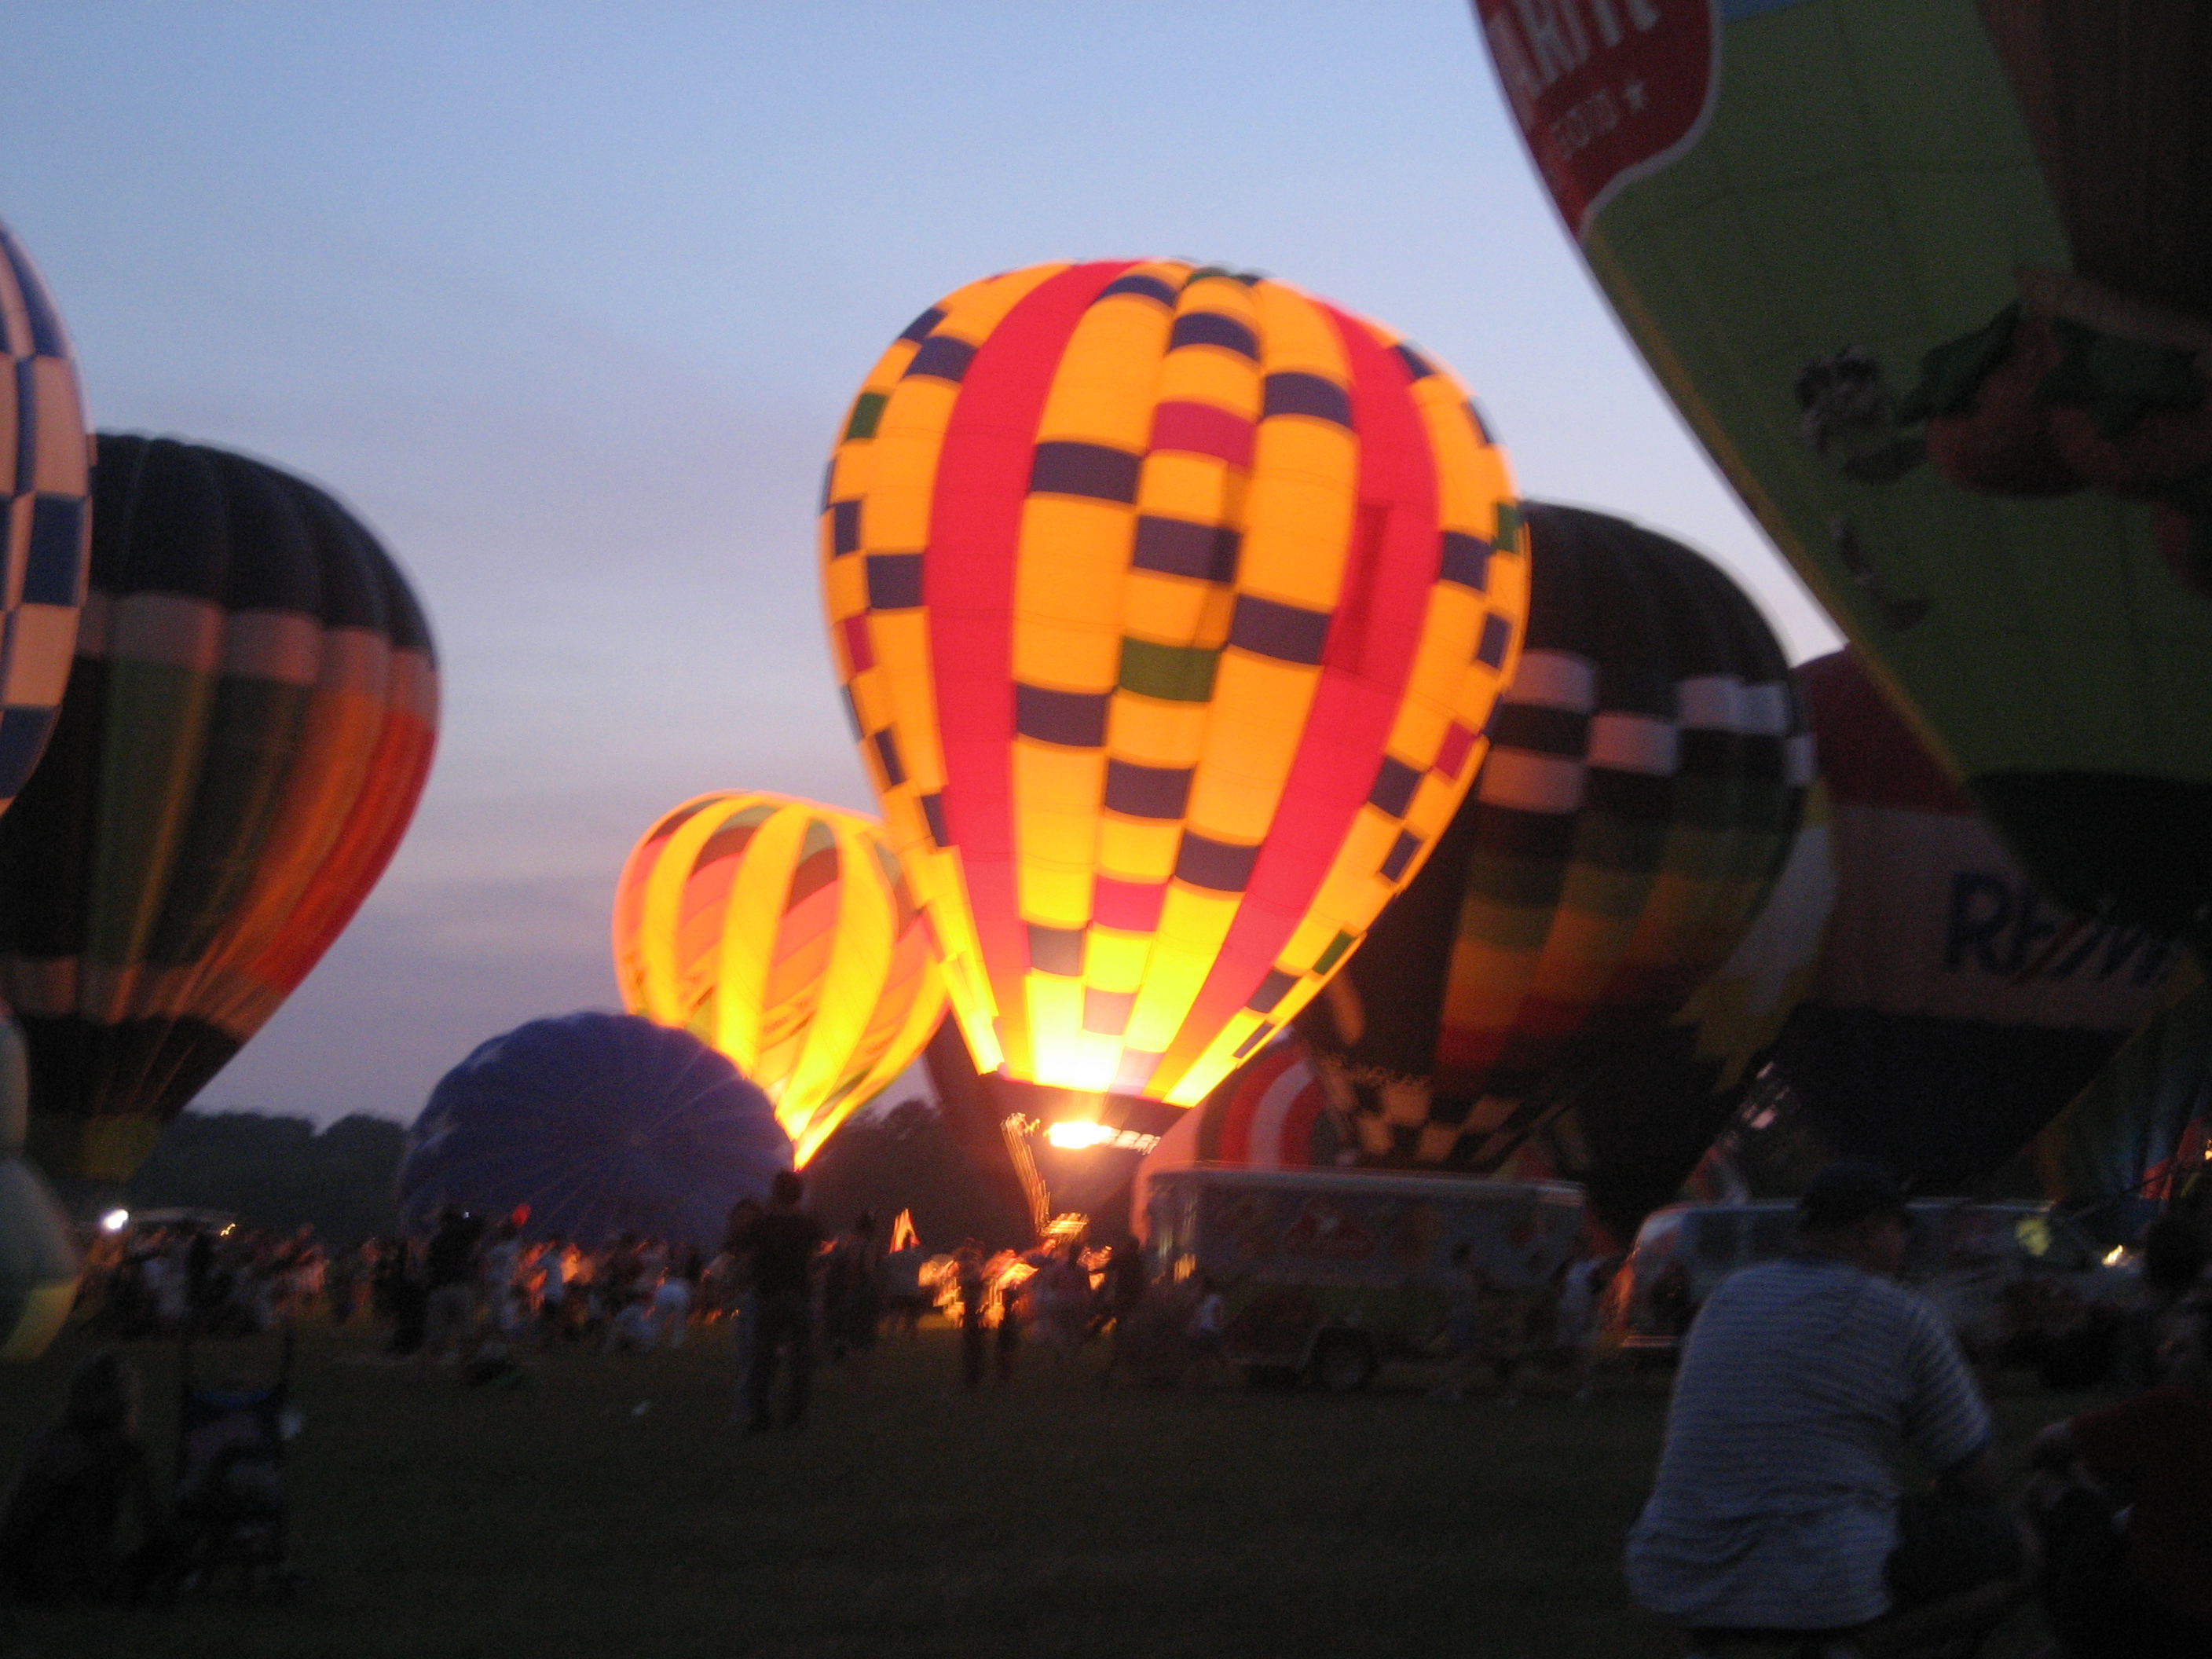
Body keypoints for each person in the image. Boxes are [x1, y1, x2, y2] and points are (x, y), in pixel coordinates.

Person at [1624, 1159, 2025, 1657]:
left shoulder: (1728, 1297)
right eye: (1900, 1229)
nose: (1906, 1245)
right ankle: (1850, 1648)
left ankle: (1719, 1640)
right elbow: (1977, 1475)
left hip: (1677, 1564)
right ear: (1869, 1233)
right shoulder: (1900, 1314)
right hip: (1823, 1572)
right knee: (2019, 1550)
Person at [2024, 1292, 2212, 1657]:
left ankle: (2020, 1596)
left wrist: (2082, 1469)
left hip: (2146, 1617)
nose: (2163, 1359)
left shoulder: (2173, 1409)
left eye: (2178, 1349)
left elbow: (2047, 1445)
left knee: (2048, 1484)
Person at [0, 1352, 169, 1603]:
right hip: (77, 1576)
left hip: (36, 1574)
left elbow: (16, 1516)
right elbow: (152, 1523)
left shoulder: (50, 1443)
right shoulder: (115, 1452)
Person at [734, 1171, 824, 1431]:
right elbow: (813, 1263)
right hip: (798, 1295)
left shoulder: (761, 1225)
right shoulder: (809, 1225)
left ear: (775, 1192)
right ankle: (795, 1418)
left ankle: (760, 1417)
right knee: (800, 1361)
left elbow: (747, 1261)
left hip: (768, 1295)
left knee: (762, 1359)